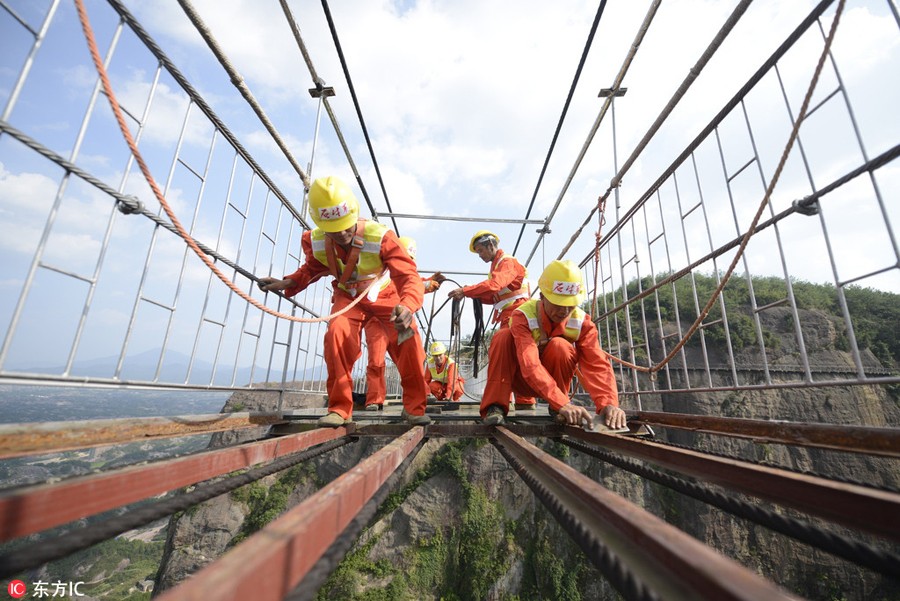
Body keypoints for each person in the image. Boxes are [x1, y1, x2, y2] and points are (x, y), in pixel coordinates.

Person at [257, 175, 431, 427]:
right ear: (320, 224)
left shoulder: (381, 236)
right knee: (336, 335)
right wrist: (290, 282)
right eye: (334, 229)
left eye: (347, 226)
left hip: (385, 295)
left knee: (408, 340)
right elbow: (313, 267)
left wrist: (408, 305)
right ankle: (339, 408)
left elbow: (408, 276)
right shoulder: (314, 240)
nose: (342, 233)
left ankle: (414, 407)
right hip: (347, 295)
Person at [479, 260, 625, 429]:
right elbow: (530, 363)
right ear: (542, 297)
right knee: (502, 337)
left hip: (554, 388)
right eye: (558, 304)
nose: (564, 311)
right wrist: (561, 401)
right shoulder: (523, 316)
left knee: (560, 346)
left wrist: (608, 403)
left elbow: (596, 363)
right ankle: (495, 406)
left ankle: (557, 409)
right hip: (518, 380)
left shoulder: (581, 322)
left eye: (570, 306)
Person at [447, 230, 535, 409]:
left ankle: (504, 402)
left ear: (491, 245)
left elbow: (495, 285)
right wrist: (471, 294)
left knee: (504, 355)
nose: (479, 255)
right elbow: (494, 296)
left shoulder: (507, 263)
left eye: (480, 250)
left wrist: (466, 291)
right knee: (516, 356)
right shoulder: (496, 267)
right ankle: (524, 402)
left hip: (516, 314)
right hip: (509, 315)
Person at [361, 236, 444, 411]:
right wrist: (428, 284)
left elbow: (411, 283)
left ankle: (422, 393)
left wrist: (429, 282)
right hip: (377, 321)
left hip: (398, 319)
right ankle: (375, 399)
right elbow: (395, 286)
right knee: (376, 361)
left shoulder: (403, 271)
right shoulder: (381, 271)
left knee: (413, 357)